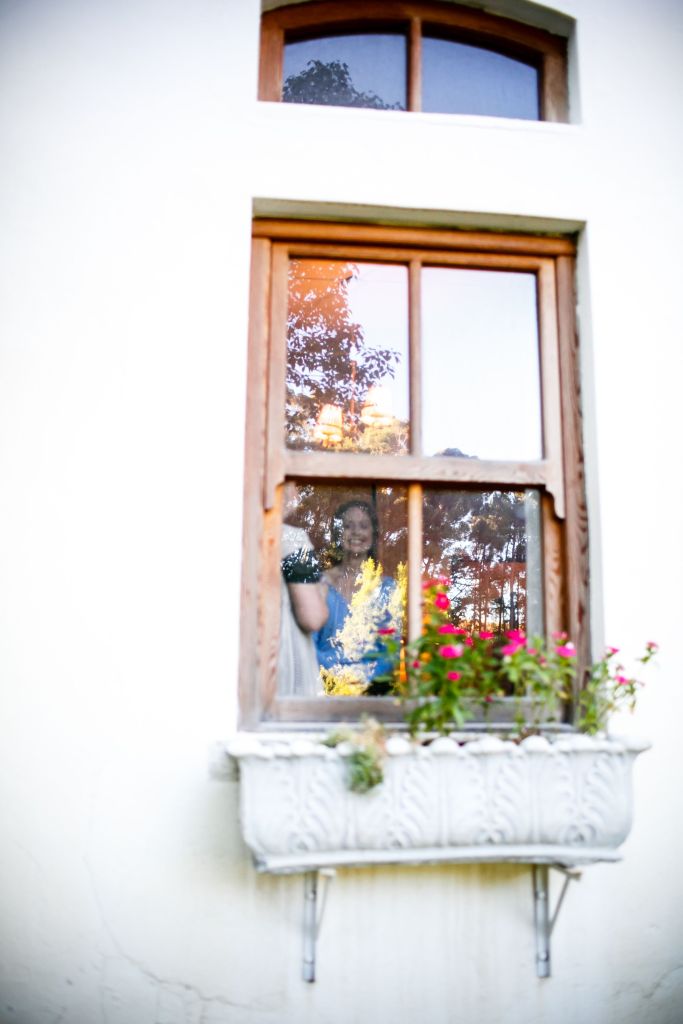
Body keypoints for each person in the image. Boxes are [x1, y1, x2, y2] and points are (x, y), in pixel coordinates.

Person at [313, 499, 397, 689]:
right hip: (322, 689)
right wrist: (336, 677)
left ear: (373, 534)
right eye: (348, 526)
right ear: (338, 533)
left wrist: (360, 680)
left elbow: (391, 651)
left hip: (372, 692)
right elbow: (308, 644)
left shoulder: (387, 588)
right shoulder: (319, 584)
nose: (356, 532)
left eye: (363, 526)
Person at [278, 489, 329, 697]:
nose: (296, 494)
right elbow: (313, 617)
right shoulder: (292, 540)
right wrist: (323, 591)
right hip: (284, 668)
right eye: (293, 485)